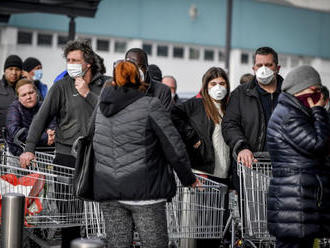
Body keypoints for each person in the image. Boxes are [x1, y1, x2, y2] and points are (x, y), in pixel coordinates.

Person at [93, 60, 198, 248]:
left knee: (118, 245)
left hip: (108, 188)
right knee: (154, 244)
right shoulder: (150, 105)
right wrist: (188, 178)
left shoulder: (101, 107)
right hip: (145, 189)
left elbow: (90, 140)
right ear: (139, 78)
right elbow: (173, 146)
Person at [19, 39, 110, 248]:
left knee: (104, 216)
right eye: (68, 60)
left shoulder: (105, 85)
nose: (70, 64)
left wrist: (87, 93)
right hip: (67, 157)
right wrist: (29, 149)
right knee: (70, 217)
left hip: (99, 157)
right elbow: (41, 118)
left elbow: (110, 112)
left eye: (75, 60)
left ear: (88, 63)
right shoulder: (61, 86)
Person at [267, 65, 330, 248]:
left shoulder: (295, 112)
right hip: (294, 202)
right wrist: (319, 112)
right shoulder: (290, 116)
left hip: (298, 200)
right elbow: (318, 144)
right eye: (315, 90)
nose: (318, 96)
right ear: (301, 89)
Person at [171, 67, 231, 247]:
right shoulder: (197, 105)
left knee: (217, 231)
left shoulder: (231, 108)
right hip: (203, 173)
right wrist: (193, 137)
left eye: (222, 83)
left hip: (224, 176)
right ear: (206, 86)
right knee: (201, 230)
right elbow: (173, 114)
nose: (218, 87)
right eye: (213, 83)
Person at [222, 46, 283, 172]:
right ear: (254, 68)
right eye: (259, 65)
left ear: (277, 68)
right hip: (250, 167)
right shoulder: (240, 94)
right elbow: (230, 124)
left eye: (268, 65)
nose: (263, 69)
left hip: (282, 166)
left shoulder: (290, 94)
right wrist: (241, 147)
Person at [6, 79, 55, 156]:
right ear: (18, 97)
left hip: (43, 153)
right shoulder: (14, 108)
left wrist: (51, 133)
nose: (28, 97)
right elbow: (15, 132)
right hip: (19, 154)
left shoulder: (44, 106)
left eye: (31, 93)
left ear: (36, 92)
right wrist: (44, 138)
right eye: (24, 95)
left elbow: (53, 123)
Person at [0, 55, 23, 138]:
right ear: (5, 71)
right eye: (11, 69)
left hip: (21, 138)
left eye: (17, 69)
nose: (14, 73)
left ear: (21, 72)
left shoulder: (27, 89)